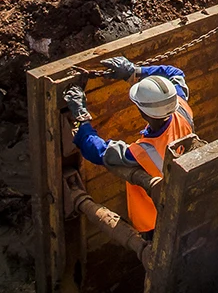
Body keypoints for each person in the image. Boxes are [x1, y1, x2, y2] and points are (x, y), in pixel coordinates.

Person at [62, 57, 194, 233]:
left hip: (154, 223)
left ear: (143, 113)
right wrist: (135, 72)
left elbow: (98, 151)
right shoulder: (181, 108)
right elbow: (175, 74)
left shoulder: (143, 152)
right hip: (185, 213)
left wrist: (81, 117)